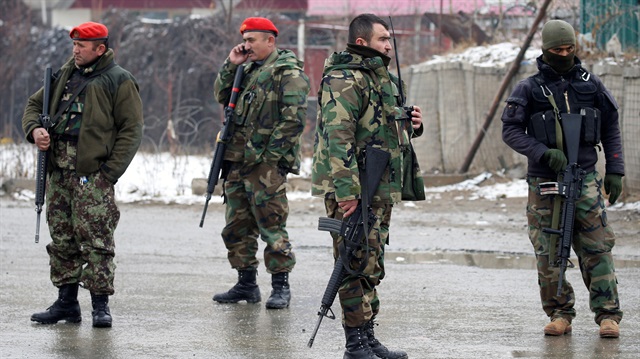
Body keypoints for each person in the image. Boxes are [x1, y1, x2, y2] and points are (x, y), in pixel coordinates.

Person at [501, 20, 624, 338]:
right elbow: (511, 130)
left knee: (597, 248)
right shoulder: (528, 88)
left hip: (584, 178)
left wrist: (615, 170)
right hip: (545, 181)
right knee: (549, 250)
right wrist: (542, 152)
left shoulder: (591, 84)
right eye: (558, 50)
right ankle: (559, 312)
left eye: (570, 49)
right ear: (545, 50)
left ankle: (608, 315)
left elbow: (611, 125)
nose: (565, 54)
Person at [312, 13, 423, 359]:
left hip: (380, 184)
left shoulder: (387, 81)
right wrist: (346, 190)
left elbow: (390, 132)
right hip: (351, 185)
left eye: (389, 39)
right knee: (352, 258)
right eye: (382, 40)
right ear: (361, 43)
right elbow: (337, 136)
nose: (389, 45)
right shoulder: (344, 78)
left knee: (372, 261)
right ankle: (354, 343)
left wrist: (413, 124)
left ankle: (368, 335)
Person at [22, 21, 143, 328]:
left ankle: (100, 306)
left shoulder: (119, 80)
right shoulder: (65, 74)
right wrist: (35, 130)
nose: (75, 50)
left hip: (93, 174)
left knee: (97, 241)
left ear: (100, 49)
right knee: (63, 239)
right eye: (73, 44)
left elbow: (132, 129)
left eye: (81, 45)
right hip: (59, 172)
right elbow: (34, 105)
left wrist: (109, 173)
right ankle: (66, 304)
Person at [211, 17, 309, 309]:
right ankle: (246, 284)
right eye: (245, 39)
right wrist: (232, 64)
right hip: (236, 161)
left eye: (252, 40)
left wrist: (268, 158)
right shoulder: (247, 69)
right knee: (236, 225)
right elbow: (221, 94)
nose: (246, 45)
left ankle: (280, 286)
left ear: (270, 40)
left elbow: (293, 121)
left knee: (272, 225)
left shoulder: (287, 73)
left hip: (264, 165)